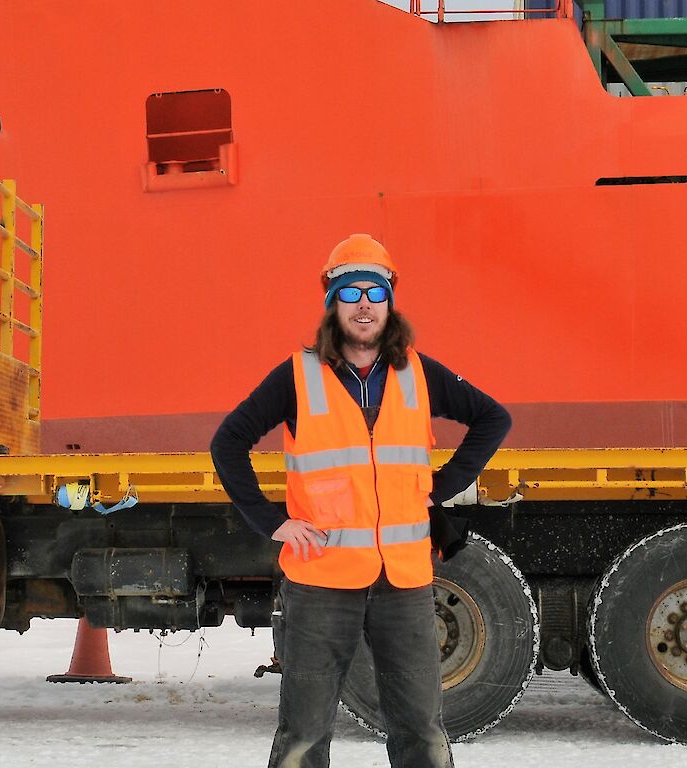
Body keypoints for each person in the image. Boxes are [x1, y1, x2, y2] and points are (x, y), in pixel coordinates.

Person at [210, 234, 511, 768]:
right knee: (304, 729)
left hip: (404, 582)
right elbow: (228, 442)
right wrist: (270, 521)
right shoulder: (300, 375)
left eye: (375, 291)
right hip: (321, 579)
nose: (364, 303)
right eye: (350, 293)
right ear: (333, 306)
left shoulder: (418, 372)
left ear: (390, 304)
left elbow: (493, 418)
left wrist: (434, 489)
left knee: (421, 729)